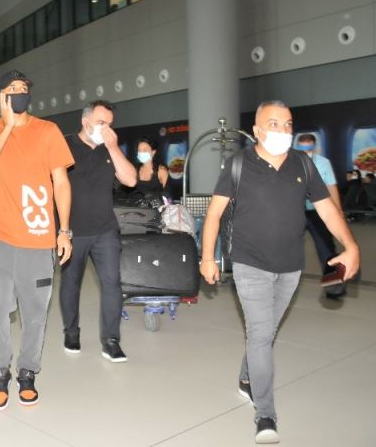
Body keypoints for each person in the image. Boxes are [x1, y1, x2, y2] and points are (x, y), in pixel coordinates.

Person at [201, 101, 359, 444]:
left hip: (290, 265)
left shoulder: (303, 163)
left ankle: (247, 378)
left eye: (288, 124)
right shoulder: (239, 163)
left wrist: (351, 245)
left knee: (267, 330)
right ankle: (265, 414)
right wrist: (207, 257)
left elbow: (327, 209)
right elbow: (214, 213)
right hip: (249, 262)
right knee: (260, 333)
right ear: (257, 130)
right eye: (273, 124)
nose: (282, 130)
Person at [0, 69, 74, 411]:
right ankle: (0, 371)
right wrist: (8, 126)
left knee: (35, 313)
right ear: (0, 96)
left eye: (24, 87)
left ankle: (28, 372)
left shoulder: (48, 131)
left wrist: (64, 230)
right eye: (12, 88)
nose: (20, 92)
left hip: (39, 238)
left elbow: (61, 183)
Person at [60, 100, 137, 362]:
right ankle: (71, 332)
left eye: (109, 124)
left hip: (105, 229)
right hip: (73, 230)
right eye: (101, 122)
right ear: (85, 122)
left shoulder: (109, 149)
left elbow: (130, 179)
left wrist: (113, 147)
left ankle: (111, 340)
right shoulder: (65, 145)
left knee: (112, 283)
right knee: (71, 283)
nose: (106, 128)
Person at [294, 134, 347, 299]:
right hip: (294, 213)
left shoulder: (323, 163)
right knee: (282, 248)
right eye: (302, 149)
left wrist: (339, 212)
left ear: (314, 148)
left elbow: (332, 187)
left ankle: (334, 288)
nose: (306, 152)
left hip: (318, 212)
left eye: (309, 149)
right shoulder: (289, 163)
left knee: (327, 250)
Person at [132, 137, 169, 202]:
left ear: (153, 152)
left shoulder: (161, 170)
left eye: (145, 150)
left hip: (156, 207)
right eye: (139, 150)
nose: (141, 153)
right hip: (135, 207)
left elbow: (168, 196)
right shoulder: (135, 170)